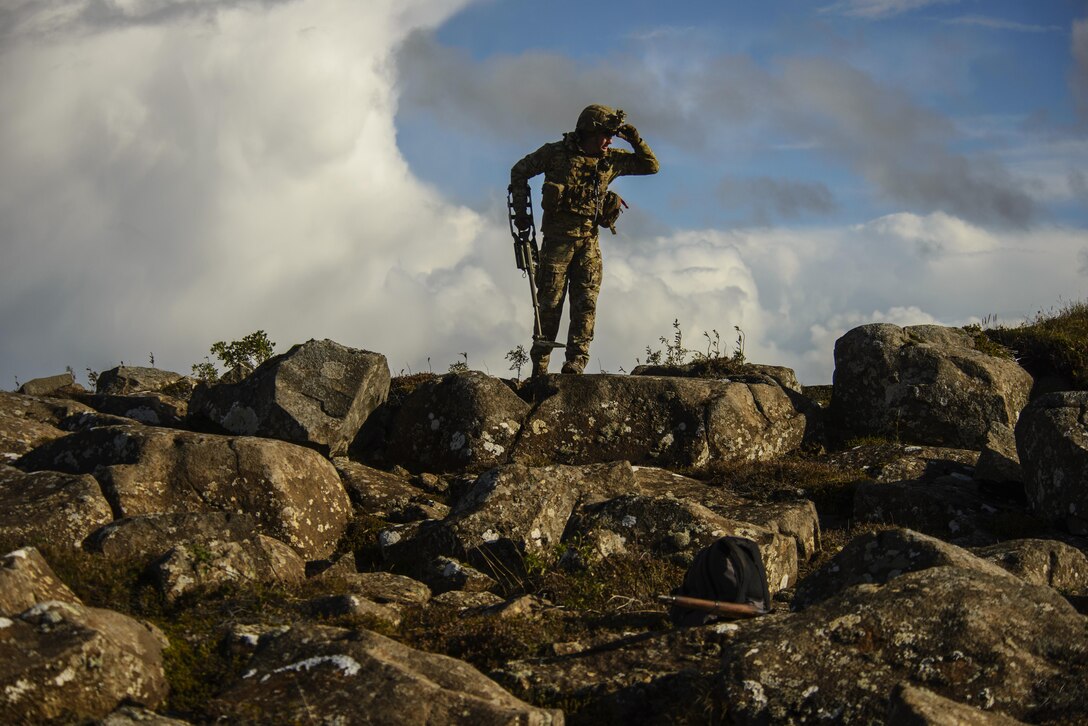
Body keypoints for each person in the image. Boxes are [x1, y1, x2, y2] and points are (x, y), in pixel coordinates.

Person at [509, 104, 659, 376]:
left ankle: (575, 363)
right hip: (557, 243)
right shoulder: (555, 154)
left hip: (589, 243)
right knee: (549, 306)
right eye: (605, 134)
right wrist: (521, 214)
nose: (609, 141)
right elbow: (519, 170)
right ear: (589, 131)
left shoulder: (609, 159)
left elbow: (651, 166)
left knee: (586, 304)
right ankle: (539, 369)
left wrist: (635, 138)